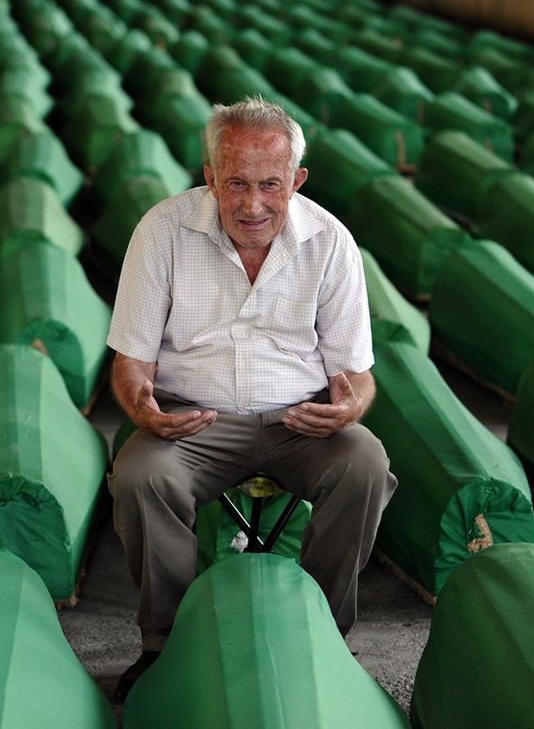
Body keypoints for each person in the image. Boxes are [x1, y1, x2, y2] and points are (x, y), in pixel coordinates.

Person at [106, 97, 397, 701]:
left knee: (364, 463)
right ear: (209, 177)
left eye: (271, 184)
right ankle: (165, 643)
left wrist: (349, 409)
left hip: (301, 423)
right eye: (235, 182)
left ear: (297, 181)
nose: (252, 203)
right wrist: (143, 408)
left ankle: (324, 633)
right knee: (140, 475)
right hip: (194, 421)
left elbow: (356, 374)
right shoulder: (162, 230)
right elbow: (131, 361)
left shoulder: (331, 242)